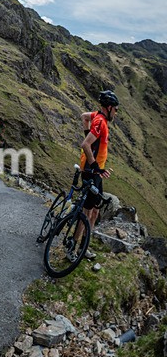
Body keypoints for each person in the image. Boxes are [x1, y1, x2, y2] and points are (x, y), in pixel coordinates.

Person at [73, 90, 119, 256]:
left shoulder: (97, 116)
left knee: (94, 211)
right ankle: (73, 247)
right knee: (87, 212)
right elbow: (85, 144)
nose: (116, 113)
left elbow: (84, 116)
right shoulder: (101, 122)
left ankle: (83, 245)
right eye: (115, 109)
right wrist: (96, 166)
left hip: (95, 173)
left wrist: (88, 133)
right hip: (92, 172)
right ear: (109, 107)